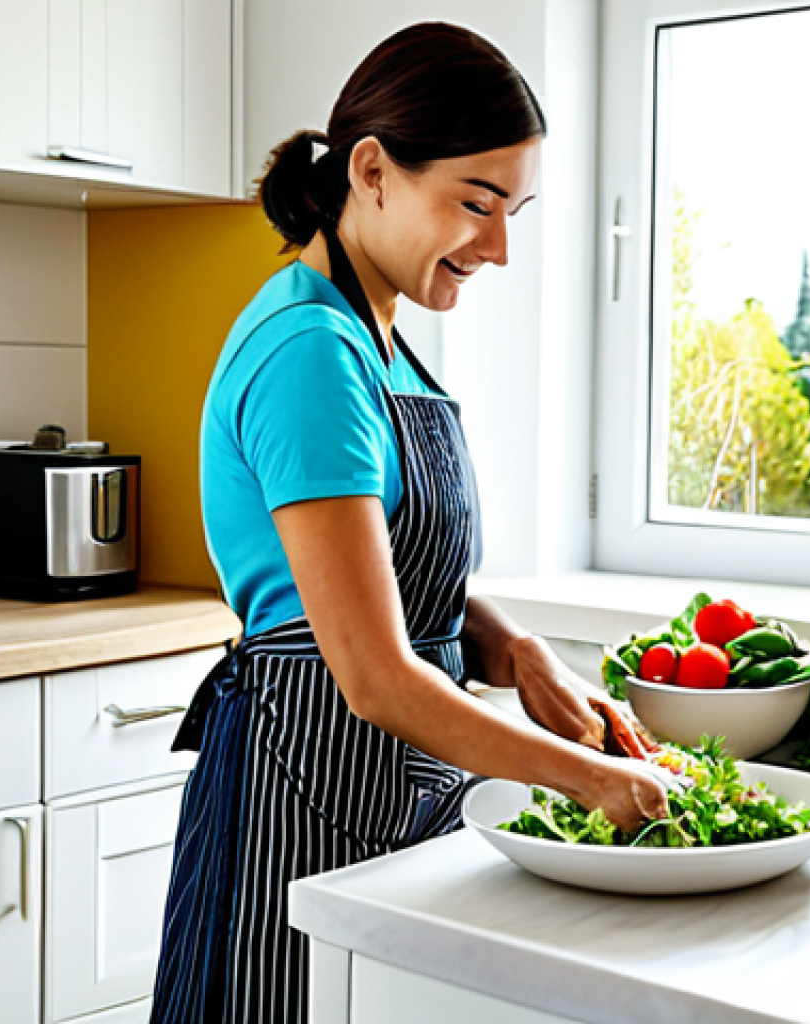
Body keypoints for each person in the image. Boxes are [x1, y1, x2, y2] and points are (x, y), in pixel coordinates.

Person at [150, 22, 670, 1024]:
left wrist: (519, 654)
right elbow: (376, 673)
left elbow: (393, 571)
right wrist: (589, 780)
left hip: (395, 796)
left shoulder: (378, 340)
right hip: (298, 799)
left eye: (513, 212)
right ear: (373, 172)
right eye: (476, 204)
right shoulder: (309, 351)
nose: (500, 248)